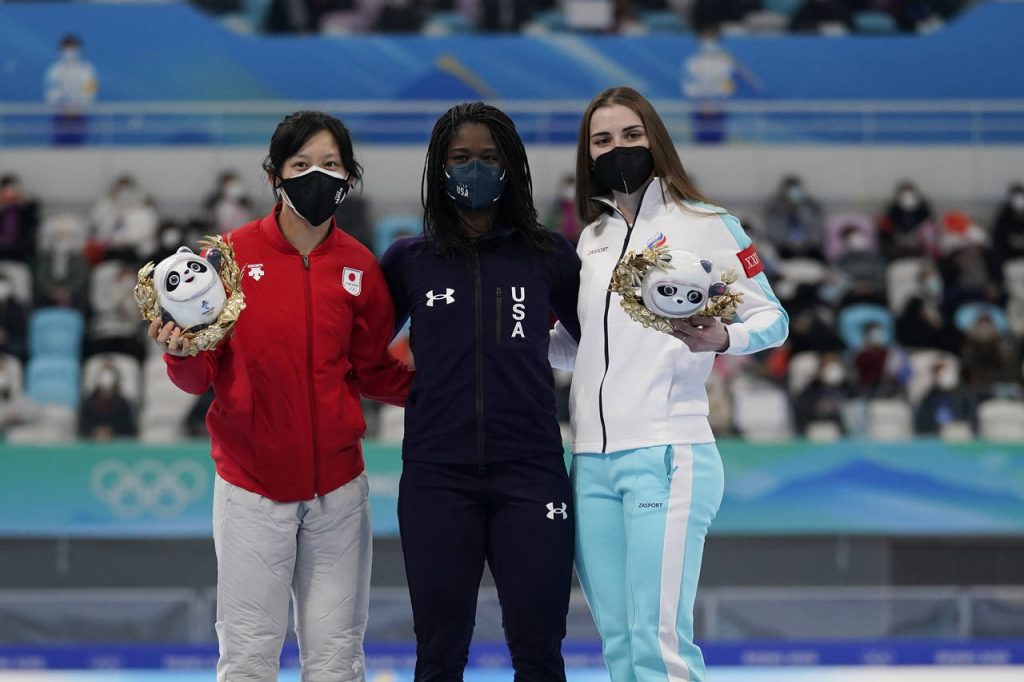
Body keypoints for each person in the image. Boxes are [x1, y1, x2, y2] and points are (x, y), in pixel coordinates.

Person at [148, 110, 412, 681]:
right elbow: (198, 377)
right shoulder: (226, 259)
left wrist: (450, 389)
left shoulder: (359, 267)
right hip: (252, 491)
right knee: (248, 661)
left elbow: (375, 372)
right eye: (301, 164)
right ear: (274, 175)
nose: (317, 175)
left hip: (338, 494)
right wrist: (181, 352)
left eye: (331, 164)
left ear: (349, 177)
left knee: (337, 662)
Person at [549, 86, 788, 682]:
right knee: (621, 647)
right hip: (591, 462)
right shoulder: (592, 239)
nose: (618, 148)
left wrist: (724, 337)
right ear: (587, 154)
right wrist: (508, 336)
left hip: (667, 453)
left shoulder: (708, 224)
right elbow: (583, 345)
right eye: (602, 140)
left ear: (655, 139)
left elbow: (773, 318)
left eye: (631, 134)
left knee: (660, 648)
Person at [380, 102, 581, 681]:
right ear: (439, 168)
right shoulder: (408, 261)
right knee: (438, 656)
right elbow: (357, 354)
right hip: (436, 478)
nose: (475, 168)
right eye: (461, 157)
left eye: (489, 158)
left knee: (540, 655)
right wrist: (417, 394)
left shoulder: (549, 255)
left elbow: (602, 345)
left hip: (532, 474)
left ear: (511, 166)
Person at [44, 34, 98, 146]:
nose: (70, 52)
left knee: (79, 147)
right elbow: (50, 91)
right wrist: (63, 107)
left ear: (79, 50)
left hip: (80, 114)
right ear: (61, 51)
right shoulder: (54, 70)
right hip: (59, 116)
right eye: (67, 49)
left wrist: (79, 106)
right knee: (58, 147)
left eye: (73, 49)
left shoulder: (87, 69)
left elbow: (91, 90)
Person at [764, 174, 825, 260]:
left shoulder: (811, 207)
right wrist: (789, 244)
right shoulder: (774, 209)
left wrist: (806, 244)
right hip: (784, 250)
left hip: (810, 249)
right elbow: (773, 232)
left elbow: (816, 229)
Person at [78, 363, 137, 441]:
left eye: (109, 375)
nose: (106, 379)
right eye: (103, 375)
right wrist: (96, 432)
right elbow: (83, 428)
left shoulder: (122, 403)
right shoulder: (89, 403)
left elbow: (129, 430)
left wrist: (111, 432)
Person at [0, 175, 41, 262]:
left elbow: (34, 224)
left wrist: (22, 202)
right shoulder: (3, 211)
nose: (10, 194)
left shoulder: (27, 209)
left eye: (13, 189)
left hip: (20, 254)